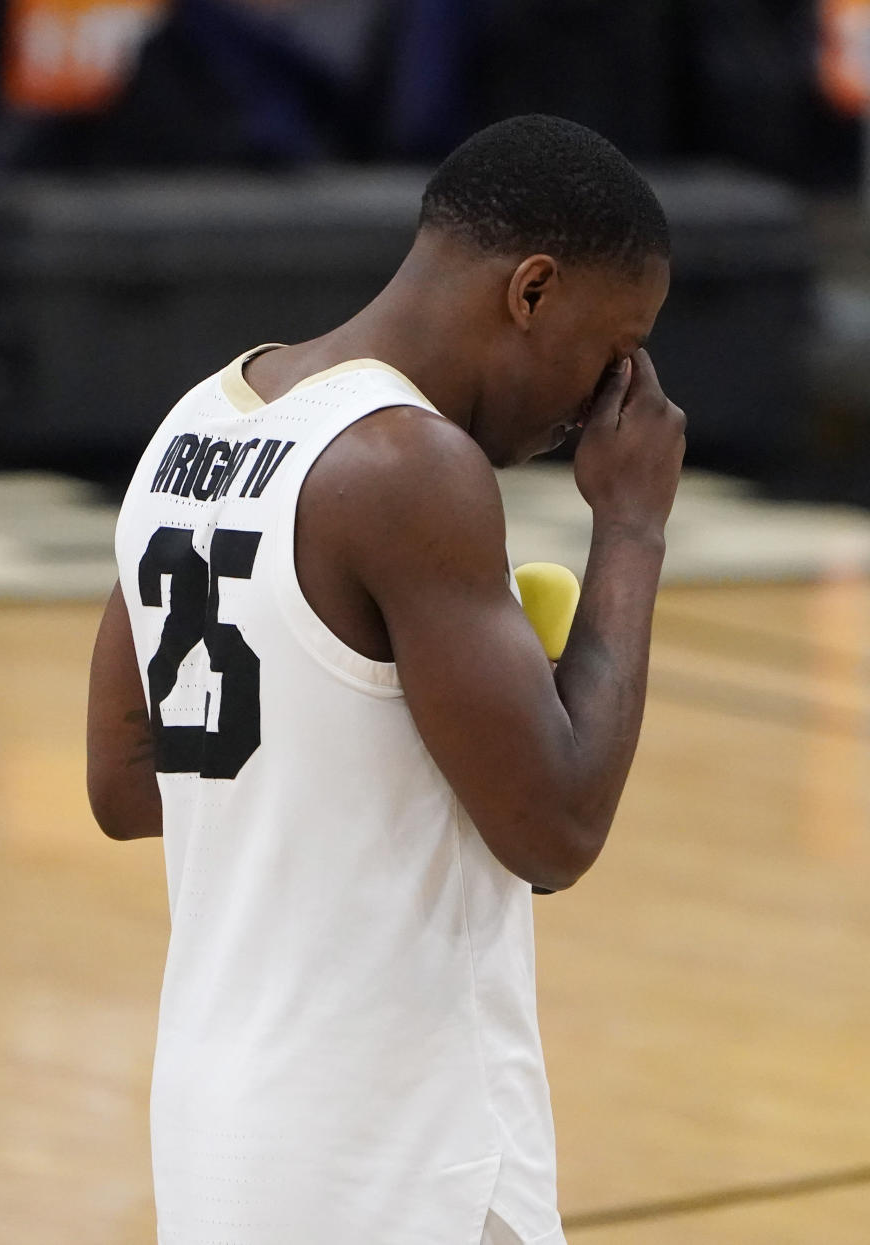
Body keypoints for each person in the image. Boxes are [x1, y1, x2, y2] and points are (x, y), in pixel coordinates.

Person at [86, 114, 685, 1245]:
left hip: (222, 1123)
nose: (609, 400)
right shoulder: (410, 468)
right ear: (533, 290)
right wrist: (634, 525)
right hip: (396, 1151)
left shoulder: (191, 427)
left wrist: (404, 739)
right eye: (616, 350)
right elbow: (557, 831)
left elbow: (126, 788)